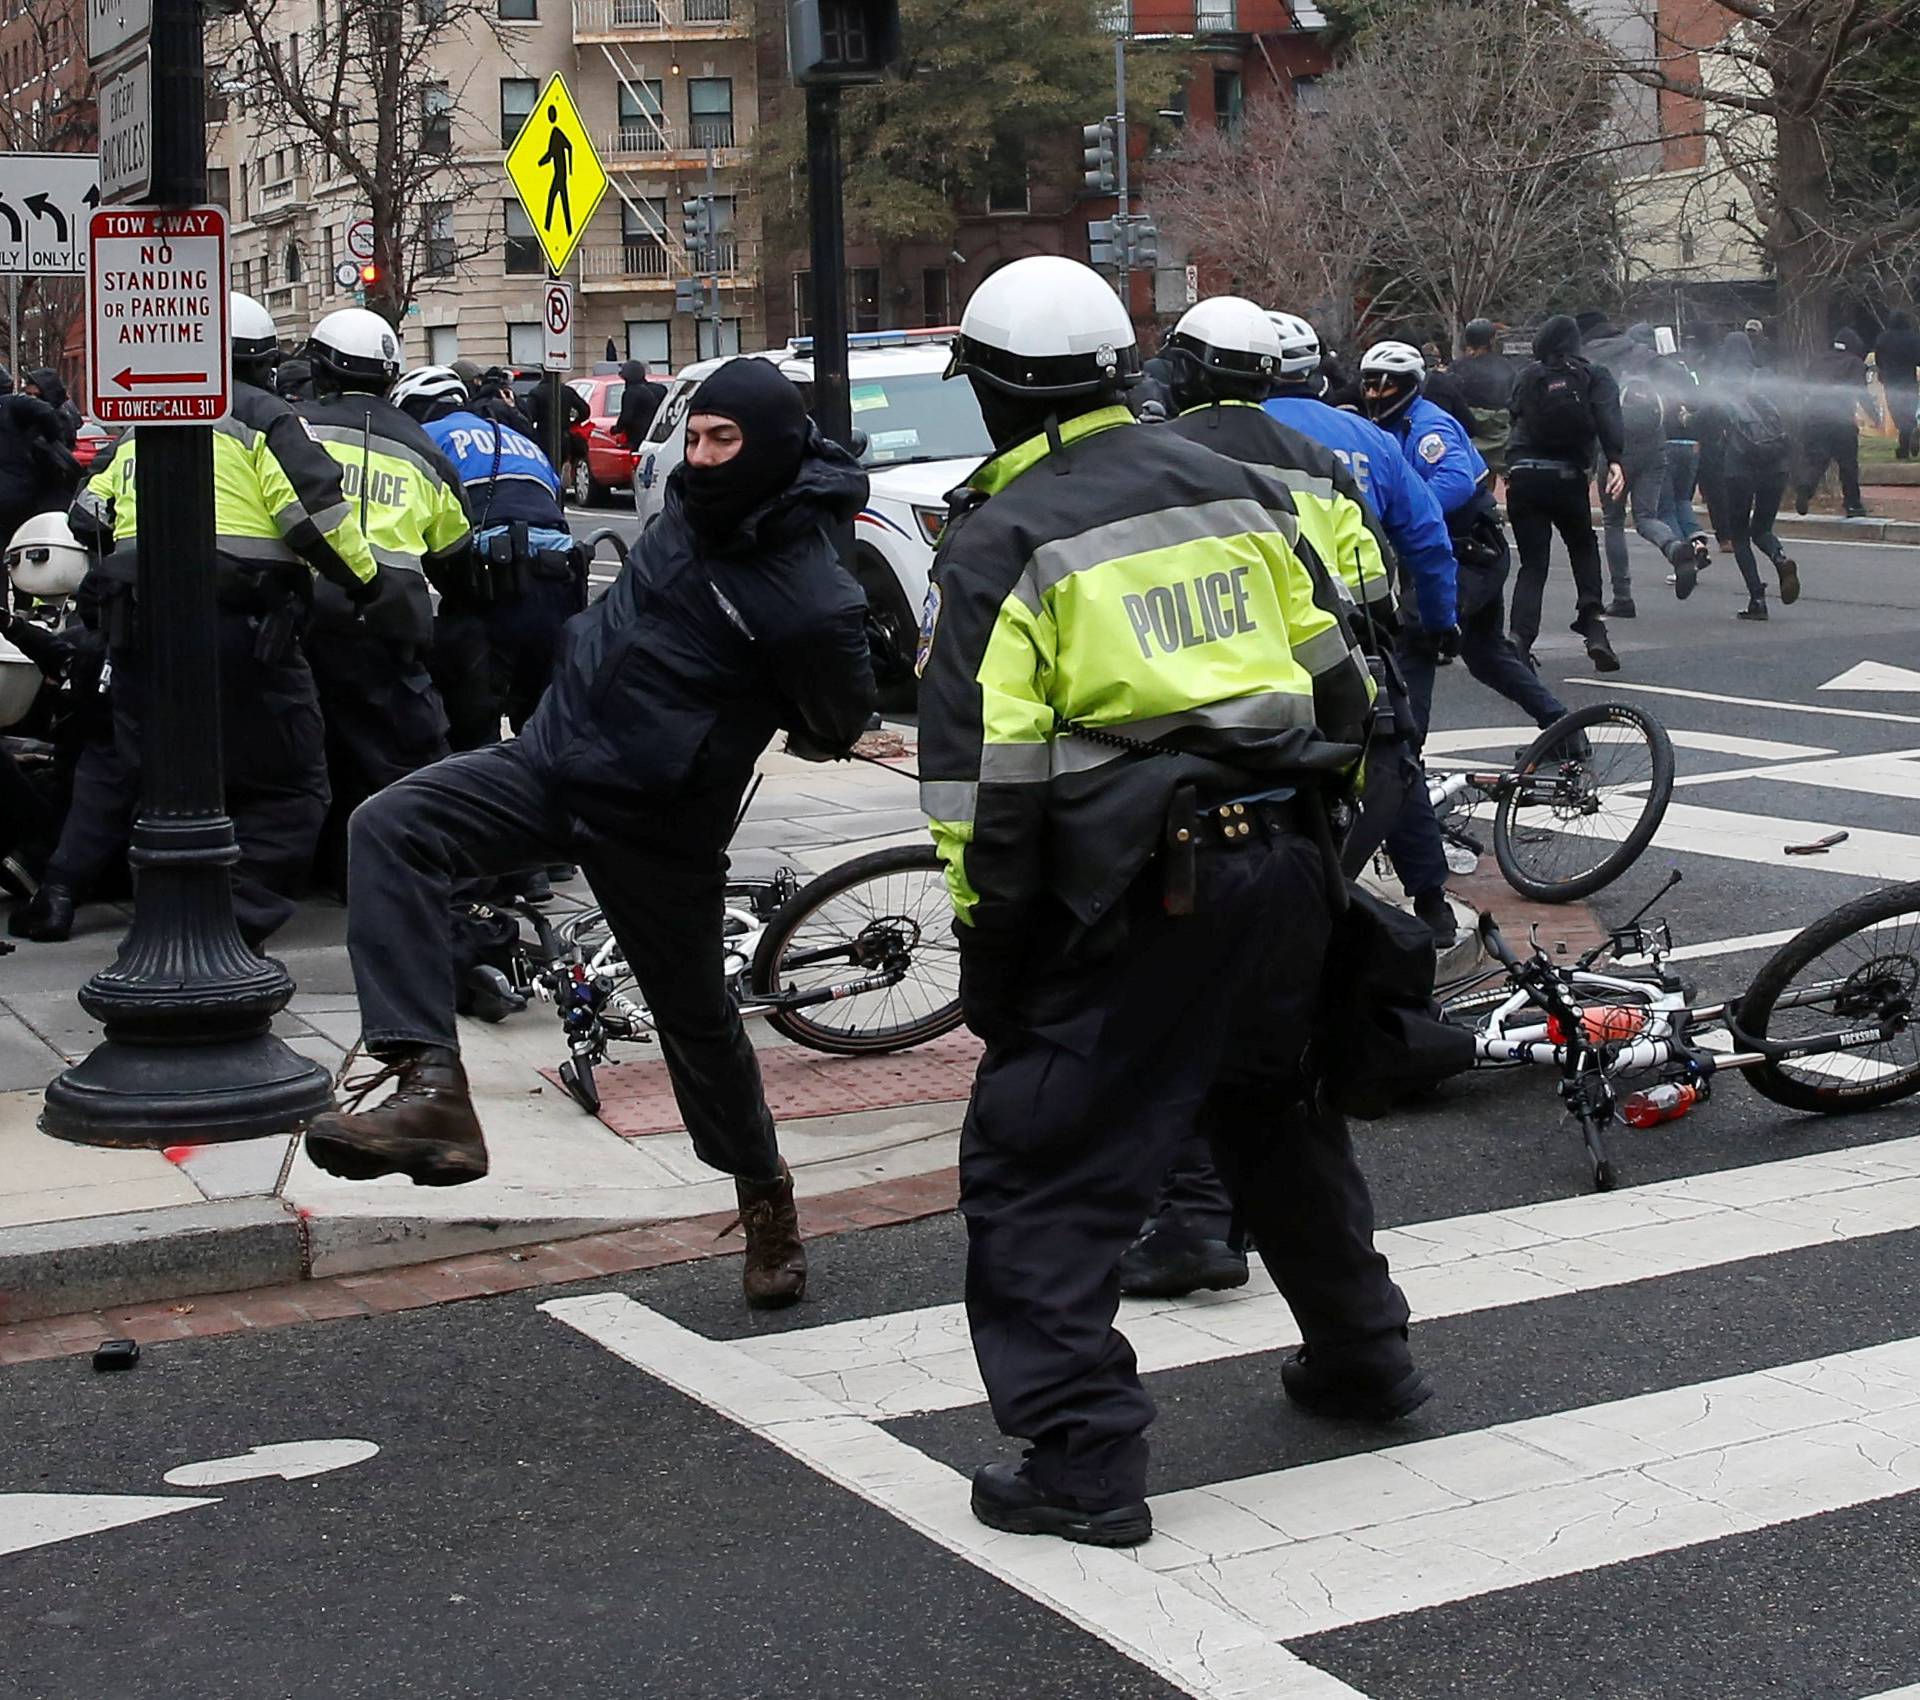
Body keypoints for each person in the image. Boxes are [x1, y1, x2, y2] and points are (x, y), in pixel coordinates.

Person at [918, 255, 1422, 1548]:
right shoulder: (1235, 489)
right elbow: (1346, 689)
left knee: (1039, 1168)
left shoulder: (1003, 538)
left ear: (990, 393)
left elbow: (986, 788)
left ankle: (1084, 1461)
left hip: (1142, 893)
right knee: (1277, 1119)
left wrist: (998, 944)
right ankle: (1365, 1359)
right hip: (1289, 866)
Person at [301, 357, 876, 1312]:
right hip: (547, 762)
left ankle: (765, 1197)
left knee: (697, 1025)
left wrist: (750, 717)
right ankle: (428, 1089)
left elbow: (839, 720)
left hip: (656, 824)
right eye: (692, 436)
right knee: (392, 827)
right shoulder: (691, 509)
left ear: (770, 448)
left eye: (722, 441)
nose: (698, 457)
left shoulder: (812, 592)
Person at [1122, 296, 1453, 1303]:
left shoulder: (1165, 460)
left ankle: (1197, 1220)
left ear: (1182, 367)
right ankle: (1310, 1270)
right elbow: (1387, 582)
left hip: (1250, 759)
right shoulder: (1332, 454)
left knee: (1202, 995)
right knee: (1278, 978)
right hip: (1357, 741)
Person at [38, 292, 382, 947]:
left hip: (137, 625)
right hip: (242, 628)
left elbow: (87, 512)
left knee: (141, 772)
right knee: (293, 784)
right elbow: (313, 519)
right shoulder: (263, 417)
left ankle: (93, 898)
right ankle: (232, 922)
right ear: (257, 361)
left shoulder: (141, 427)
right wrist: (363, 585)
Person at [1266, 320, 1571, 744]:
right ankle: (1563, 728)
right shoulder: (1379, 428)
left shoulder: (1428, 427)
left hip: (1470, 551)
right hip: (1451, 551)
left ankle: (1411, 753)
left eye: (1388, 386)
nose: (1376, 395)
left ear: (1412, 385)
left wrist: (1397, 513)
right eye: (1370, 385)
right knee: (1487, 657)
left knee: (1418, 639)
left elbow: (1454, 482)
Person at [297, 309, 472, 895]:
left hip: (307, 610)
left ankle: (326, 868)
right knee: (404, 757)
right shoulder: (424, 446)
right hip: (391, 620)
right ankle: (418, 870)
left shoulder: (295, 427)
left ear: (320, 370)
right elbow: (453, 545)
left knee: (312, 752)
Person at [390, 364, 586, 745]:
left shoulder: (426, 438)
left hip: (494, 587)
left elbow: (412, 528)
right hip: (562, 586)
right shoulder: (519, 440)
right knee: (545, 731)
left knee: (469, 732)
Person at [1503, 316, 1626, 671]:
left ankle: (1519, 638)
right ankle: (1593, 626)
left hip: (1525, 476)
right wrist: (1615, 460)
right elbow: (1608, 418)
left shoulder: (1528, 375)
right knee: (1583, 546)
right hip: (1568, 477)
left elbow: (1512, 417)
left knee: (1533, 564)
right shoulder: (1594, 375)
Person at [1706, 329, 1798, 621]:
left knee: (1740, 534)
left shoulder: (1720, 384)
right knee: (1763, 529)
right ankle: (1780, 557)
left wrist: (1687, 419)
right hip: (1776, 464)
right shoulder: (1764, 377)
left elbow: (1705, 421)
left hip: (1740, 467)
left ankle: (1757, 599)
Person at [1796, 329, 1880, 519]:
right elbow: (1861, 393)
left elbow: (1804, 387)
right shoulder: (1854, 363)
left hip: (1814, 419)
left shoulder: (1819, 360)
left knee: (1817, 460)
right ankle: (1853, 504)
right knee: (1848, 465)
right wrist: (1875, 417)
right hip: (1841, 421)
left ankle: (1806, 487)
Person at [0, 380, 78, 550]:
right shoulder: (13, 405)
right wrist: (52, 438)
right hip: (21, 492)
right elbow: (45, 412)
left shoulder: (15, 407)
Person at [1450, 318, 1519, 478]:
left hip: (1466, 435)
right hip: (1498, 437)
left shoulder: (1457, 367)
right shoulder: (1505, 366)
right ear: (1490, 340)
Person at [525, 372, 589, 479]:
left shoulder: (536, 393)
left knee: (546, 469)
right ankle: (561, 490)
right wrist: (573, 422)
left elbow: (529, 416)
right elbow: (585, 411)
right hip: (564, 437)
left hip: (544, 437)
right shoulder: (566, 391)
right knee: (561, 468)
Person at [1875, 310, 1920, 461]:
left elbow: (1878, 360)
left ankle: (1904, 449)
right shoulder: (1913, 338)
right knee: (1909, 415)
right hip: (1909, 382)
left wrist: (1883, 371)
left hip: (1891, 383)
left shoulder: (1883, 338)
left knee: (1899, 416)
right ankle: (1911, 437)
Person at [612, 359, 668, 449]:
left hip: (638, 439)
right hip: (660, 436)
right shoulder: (660, 389)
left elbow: (626, 417)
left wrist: (616, 429)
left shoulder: (630, 393)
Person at [22, 369, 81, 448]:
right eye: (28, 394)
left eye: (37, 395)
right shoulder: (26, 415)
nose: (32, 399)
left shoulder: (59, 417)